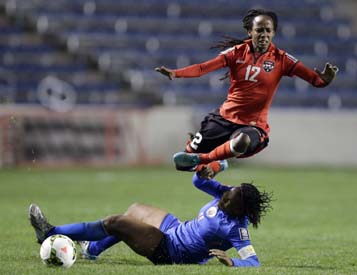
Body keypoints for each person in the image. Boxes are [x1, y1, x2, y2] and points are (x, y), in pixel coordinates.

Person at [155, 9, 339, 171]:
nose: (264, 34)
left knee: (241, 141)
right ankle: (218, 163)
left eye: (268, 30)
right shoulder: (236, 52)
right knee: (181, 162)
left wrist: (325, 80)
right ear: (250, 31)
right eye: (259, 30)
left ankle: (207, 159)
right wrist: (176, 73)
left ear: (274, 33)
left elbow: (315, 80)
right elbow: (204, 68)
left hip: (252, 125)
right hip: (223, 119)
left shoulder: (283, 59)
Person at [29, 161, 272, 267]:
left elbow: (253, 262)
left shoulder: (236, 229)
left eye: (228, 200)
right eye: (226, 194)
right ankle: (92, 250)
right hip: (175, 228)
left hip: (172, 251)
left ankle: (49, 233)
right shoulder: (226, 195)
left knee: (116, 223)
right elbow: (198, 181)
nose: (223, 198)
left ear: (240, 210)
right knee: (134, 209)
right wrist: (208, 169)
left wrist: (232, 262)